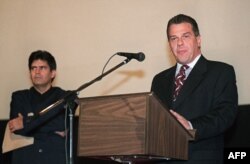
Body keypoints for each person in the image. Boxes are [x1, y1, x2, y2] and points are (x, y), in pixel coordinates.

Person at [151, 14, 238, 163]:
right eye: (173, 38)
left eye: (185, 36)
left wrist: (191, 126)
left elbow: (225, 115)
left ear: (198, 40)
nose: (179, 43)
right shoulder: (159, 80)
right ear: (169, 44)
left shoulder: (221, 72)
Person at [8, 50, 77, 164]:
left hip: (54, 158)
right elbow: (16, 128)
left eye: (42, 68)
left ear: (53, 73)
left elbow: (63, 123)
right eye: (33, 68)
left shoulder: (65, 97)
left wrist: (25, 123)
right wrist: (53, 128)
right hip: (26, 158)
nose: (37, 72)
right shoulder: (19, 97)